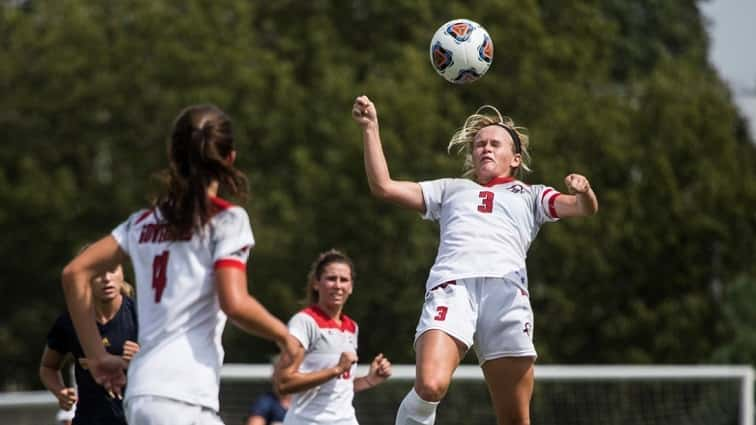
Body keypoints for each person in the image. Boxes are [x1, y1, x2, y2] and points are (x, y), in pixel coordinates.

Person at [351, 95, 599, 425]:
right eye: (479, 144)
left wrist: (584, 191)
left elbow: (584, 209)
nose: (485, 148)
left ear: (515, 158)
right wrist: (370, 128)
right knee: (430, 385)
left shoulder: (532, 195)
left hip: (507, 296)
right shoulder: (451, 189)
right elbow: (383, 187)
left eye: (495, 144)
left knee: (514, 419)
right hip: (453, 289)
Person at [61, 104, 301, 425]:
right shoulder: (226, 220)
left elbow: (74, 272)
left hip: (143, 392)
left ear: (174, 158)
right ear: (230, 158)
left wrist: (97, 355)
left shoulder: (142, 222)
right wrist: (285, 337)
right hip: (182, 395)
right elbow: (234, 302)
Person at [275, 249, 393, 425]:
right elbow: (284, 383)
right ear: (316, 283)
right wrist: (336, 369)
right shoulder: (304, 322)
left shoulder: (352, 327)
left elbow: (339, 388)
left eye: (344, 280)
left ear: (351, 287)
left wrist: (370, 379)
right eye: (331, 279)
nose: (338, 285)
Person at [40, 263, 139, 425]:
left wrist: (144, 358)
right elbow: (48, 367)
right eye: (98, 273)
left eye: (112, 270)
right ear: (84, 278)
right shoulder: (70, 321)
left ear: (122, 274)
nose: (107, 279)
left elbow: (173, 366)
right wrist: (60, 392)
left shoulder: (141, 315)